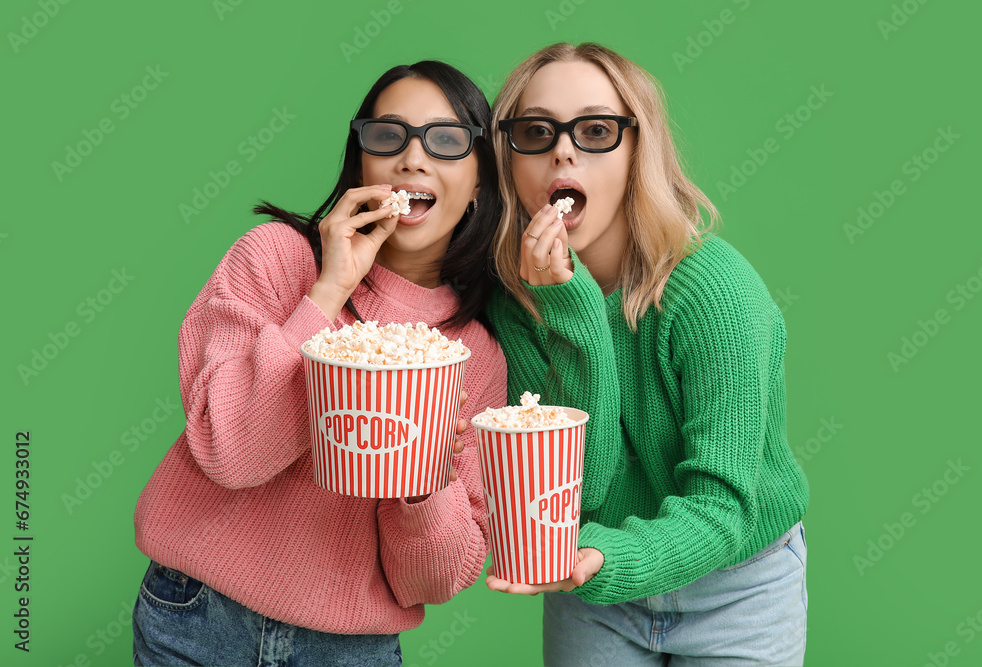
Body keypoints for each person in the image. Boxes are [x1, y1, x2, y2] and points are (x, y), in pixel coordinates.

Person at [131, 60, 506, 666]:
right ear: (363, 161)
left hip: (350, 650)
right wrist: (328, 293)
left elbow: (430, 583)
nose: (412, 158)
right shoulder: (275, 261)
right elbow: (231, 452)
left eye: (446, 140)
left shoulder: (474, 356)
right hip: (196, 618)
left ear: (482, 180)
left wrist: (428, 479)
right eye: (388, 136)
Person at [485, 42, 810, 666]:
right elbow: (578, 492)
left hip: (738, 585)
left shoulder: (716, 294)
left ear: (639, 153)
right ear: (510, 158)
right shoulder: (519, 305)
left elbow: (723, 513)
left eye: (597, 129)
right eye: (535, 130)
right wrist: (571, 309)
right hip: (595, 586)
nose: (562, 149)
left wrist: (610, 558)